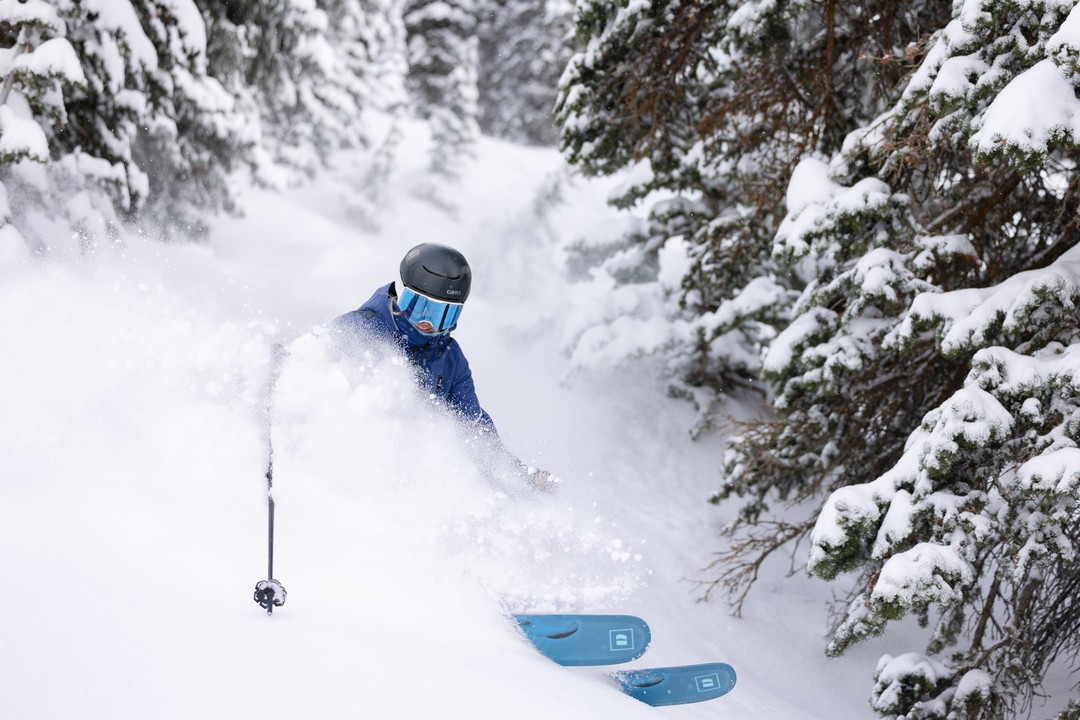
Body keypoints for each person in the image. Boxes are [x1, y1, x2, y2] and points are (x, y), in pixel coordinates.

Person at [334, 242, 556, 491]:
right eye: (420, 308)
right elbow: (307, 374)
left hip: (416, 486)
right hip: (355, 474)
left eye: (444, 315)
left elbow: (474, 429)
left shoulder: (450, 358)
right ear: (400, 293)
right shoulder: (360, 330)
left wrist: (518, 476)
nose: (428, 323)